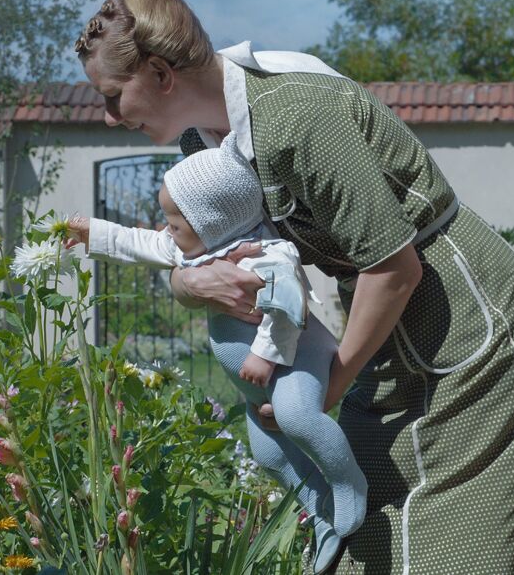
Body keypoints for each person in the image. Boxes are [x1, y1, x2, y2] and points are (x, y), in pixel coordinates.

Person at [71, 0, 514, 574]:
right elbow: (198, 252)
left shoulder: (297, 117)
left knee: (444, 545)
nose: (109, 117)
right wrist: (188, 285)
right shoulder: (201, 141)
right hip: (383, 328)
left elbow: (394, 268)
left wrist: (325, 392)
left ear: (159, 74)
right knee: (366, 533)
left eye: (114, 96)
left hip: (464, 316)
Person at [68, 136, 366, 572]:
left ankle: (348, 484)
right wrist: (91, 233)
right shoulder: (198, 248)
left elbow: (289, 305)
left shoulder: (268, 254)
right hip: (257, 384)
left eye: (175, 223)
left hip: (295, 360)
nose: (166, 229)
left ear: (211, 221)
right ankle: (319, 507)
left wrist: (264, 355)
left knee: (298, 417)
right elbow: (140, 242)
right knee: (269, 454)